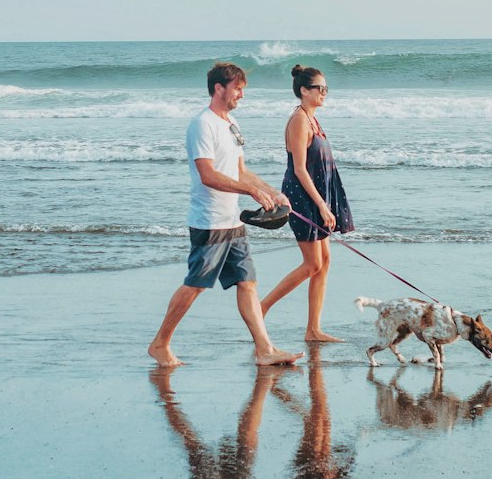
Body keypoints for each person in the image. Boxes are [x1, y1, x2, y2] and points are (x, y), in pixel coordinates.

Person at [147, 61, 302, 369]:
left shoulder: (231, 124)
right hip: (210, 221)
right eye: (237, 89)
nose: (241, 95)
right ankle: (160, 343)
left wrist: (272, 191)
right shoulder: (202, 124)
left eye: (243, 89)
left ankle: (265, 349)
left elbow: (241, 171)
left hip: (233, 220)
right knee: (195, 284)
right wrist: (251, 193)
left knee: (247, 283)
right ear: (219, 88)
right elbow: (207, 174)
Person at [260, 65, 354, 343]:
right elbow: (300, 169)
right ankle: (260, 308)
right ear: (304, 90)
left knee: (324, 261)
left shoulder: (312, 119)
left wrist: (326, 202)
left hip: (315, 195)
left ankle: (313, 330)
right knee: (312, 263)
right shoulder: (299, 120)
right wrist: (322, 206)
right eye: (319, 88)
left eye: (326, 89)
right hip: (301, 196)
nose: (324, 93)